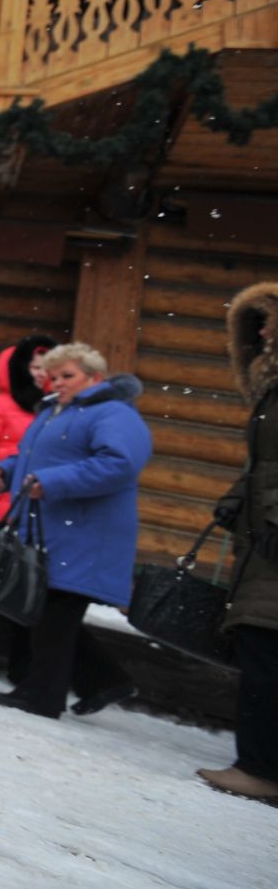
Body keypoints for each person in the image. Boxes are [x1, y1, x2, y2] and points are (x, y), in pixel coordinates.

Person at [0, 342, 150, 719]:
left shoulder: (114, 413)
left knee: (54, 615)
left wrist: (53, 482)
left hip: (89, 533)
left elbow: (119, 463)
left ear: (95, 377)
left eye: (68, 376)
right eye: (54, 376)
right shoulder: (56, 411)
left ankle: (42, 697)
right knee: (50, 613)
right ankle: (103, 681)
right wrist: (4, 474)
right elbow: (34, 457)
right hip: (59, 531)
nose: (58, 382)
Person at [198, 283, 278, 801]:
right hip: (262, 535)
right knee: (260, 644)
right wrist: (237, 496)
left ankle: (262, 768)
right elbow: (263, 466)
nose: (265, 332)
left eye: (272, 322)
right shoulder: (273, 390)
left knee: (266, 649)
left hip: (273, 537)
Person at [0, 333, 55, 681]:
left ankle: (21, 665)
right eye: (34, 366)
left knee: (29, 588)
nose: (40, 374)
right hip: (2, 509)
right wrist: (25, 460)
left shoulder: (53, 409)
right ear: (20, 368)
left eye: (47, 368)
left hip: (39, 511)